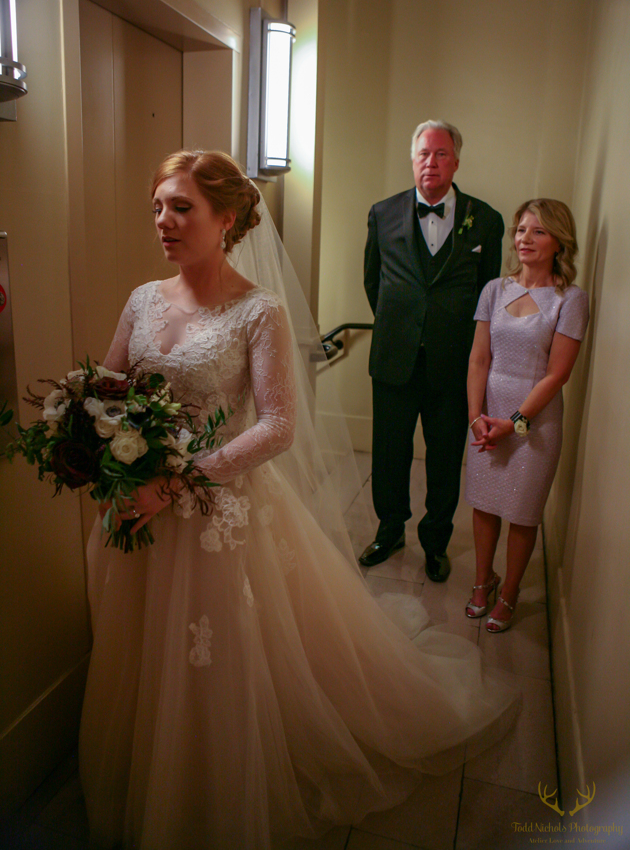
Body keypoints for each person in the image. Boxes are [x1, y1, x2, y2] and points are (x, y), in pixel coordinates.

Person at [79, 150, 519, 850]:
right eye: (157, 207)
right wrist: (87, 429)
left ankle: (218, 780)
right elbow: (111, 385)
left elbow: (278, 425)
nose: (164, 220)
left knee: (220, 651)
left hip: (216, 512)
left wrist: (181, 479)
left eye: (182, 207)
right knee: (147, 647)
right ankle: (160, 769)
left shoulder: (259, 309)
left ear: (227, 218)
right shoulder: (141, 298)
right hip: (140, 507)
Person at [362, 120, 504, 580]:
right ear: (413, 159)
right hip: (394, 359)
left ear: (456, 162)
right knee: (389, 453)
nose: (431, 162)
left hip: (454, 363)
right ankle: (389, 529)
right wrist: (404, 326)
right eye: (424, 153)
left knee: (444, 458)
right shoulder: (382, 213)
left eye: (441, 154)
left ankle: (436, 540)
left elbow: (487, 296)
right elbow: (373, 282)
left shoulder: (486, 220)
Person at [465, 199, 589, 632]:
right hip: (487, 416)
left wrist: (514, 422)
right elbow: (479, 358)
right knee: (484, 503)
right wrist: (476, 417)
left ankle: (510, 592)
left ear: (559, 241)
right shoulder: (494, 290)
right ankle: (483, 580)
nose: (525, 239)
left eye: (538, 231)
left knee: (522, 510)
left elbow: (558, 374)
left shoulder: (570, 299)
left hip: (535, 425)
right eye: (520, 230)